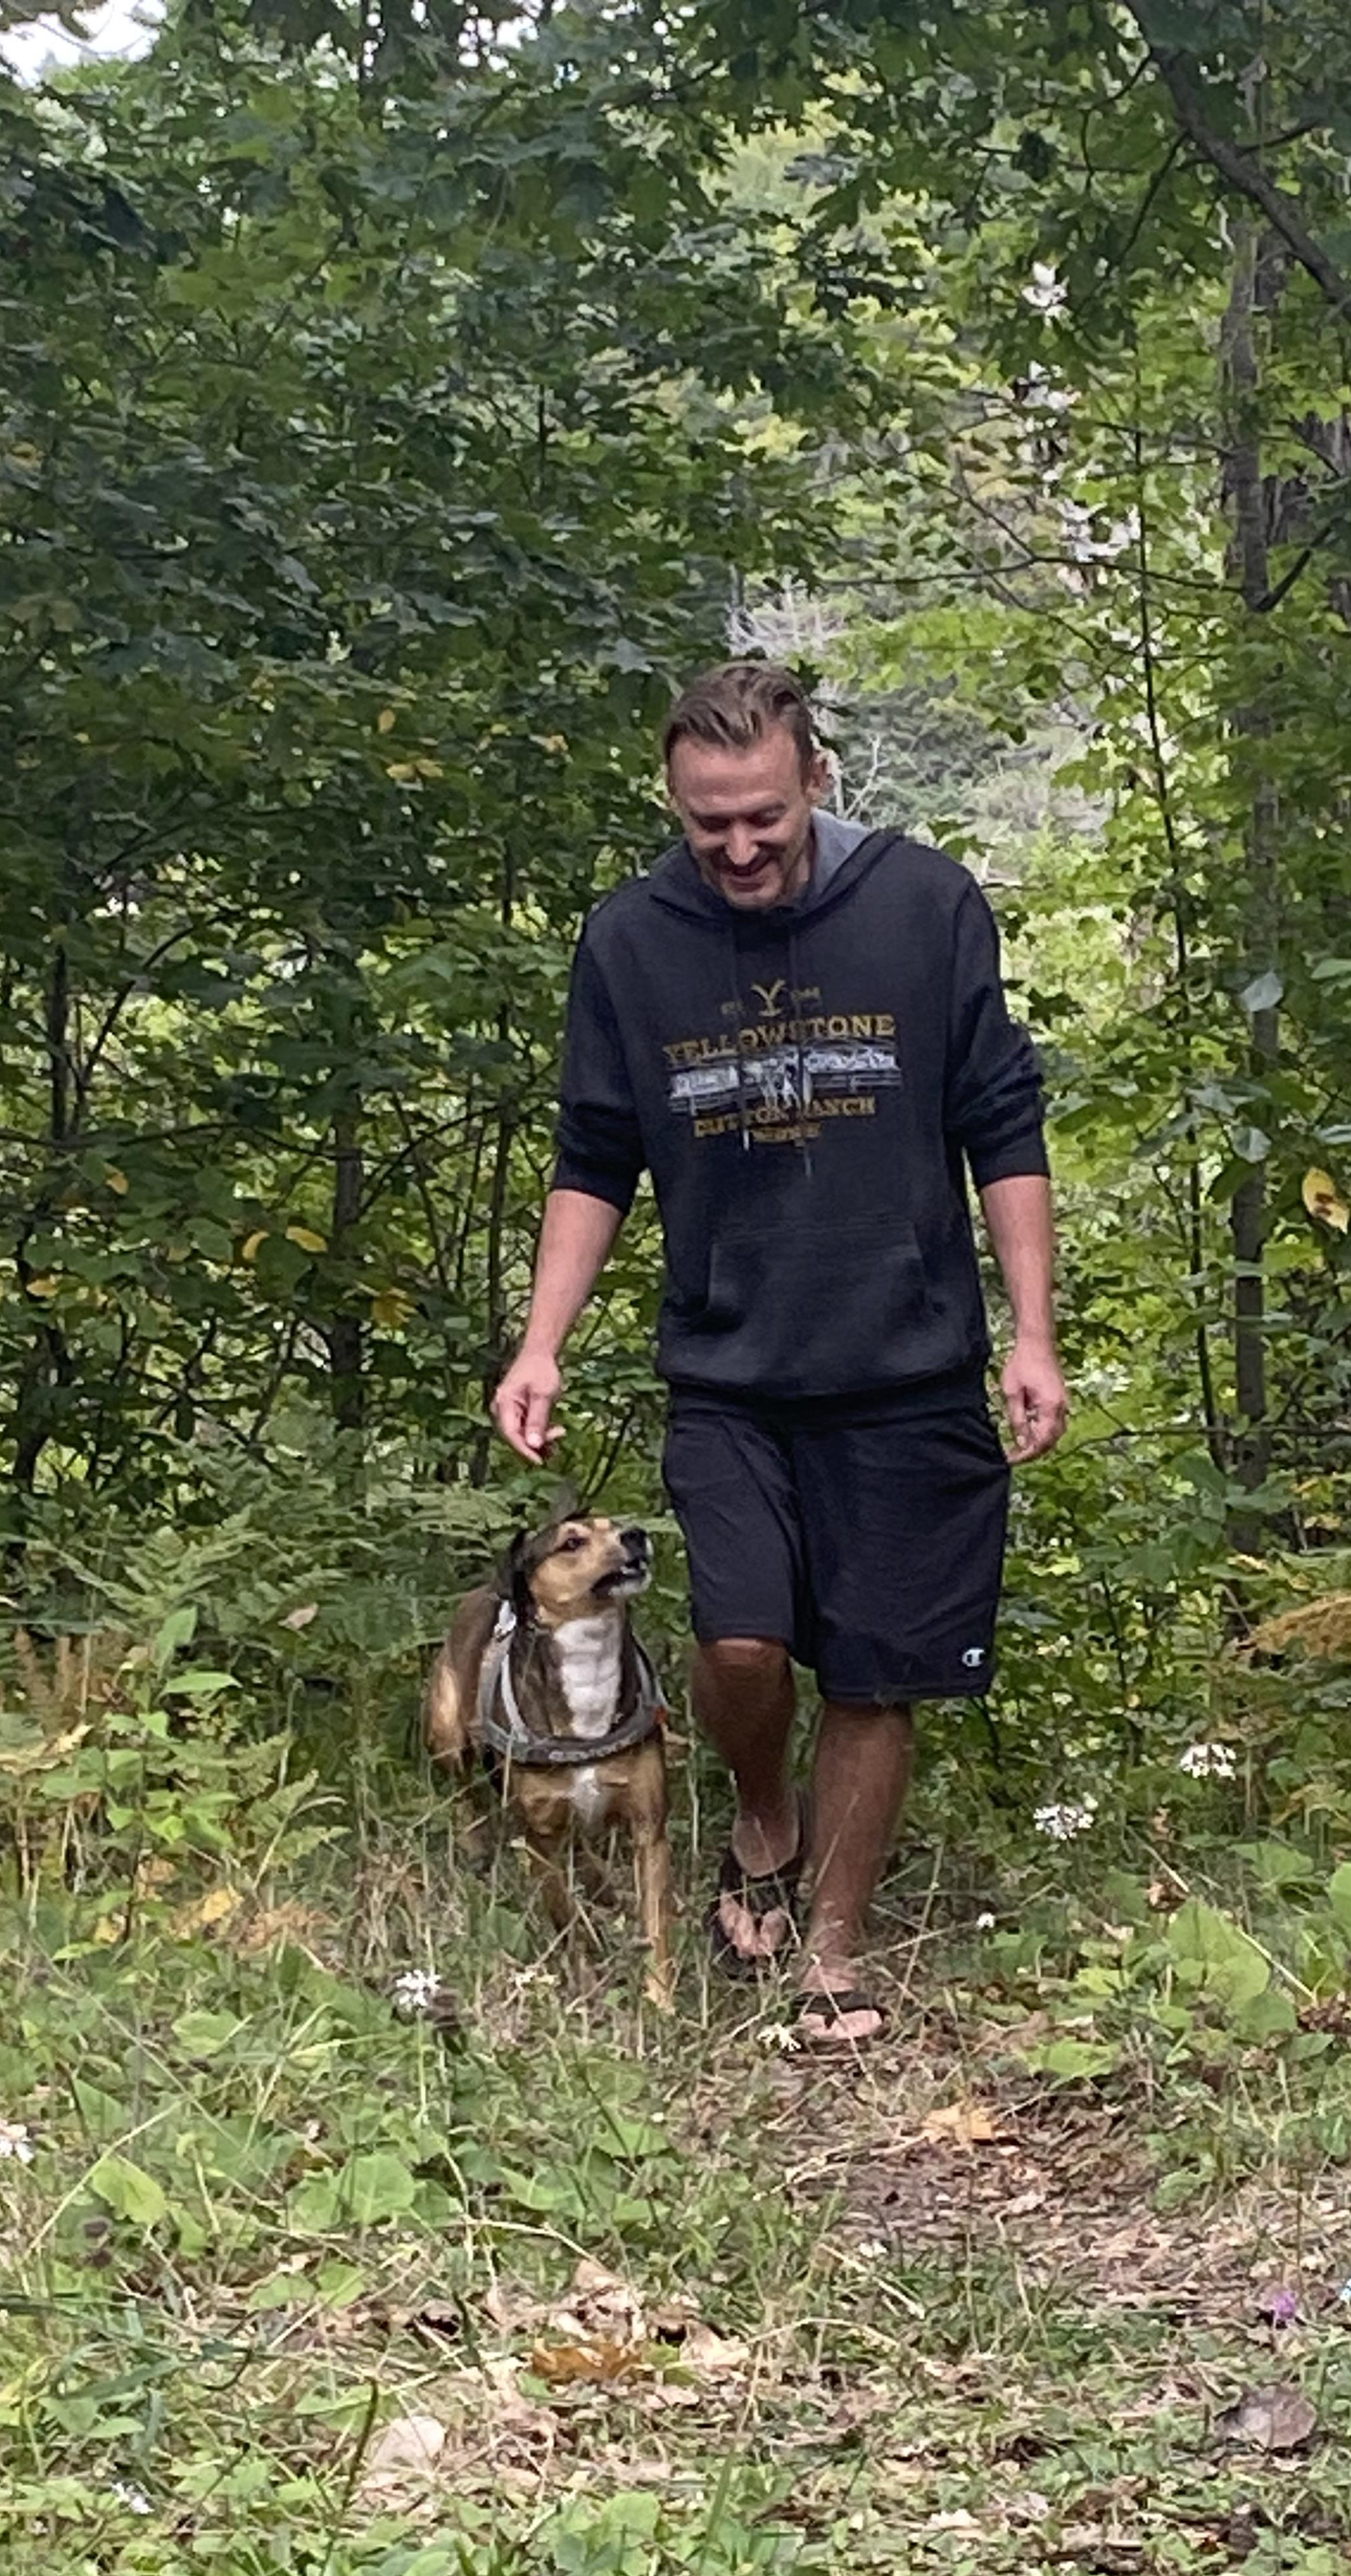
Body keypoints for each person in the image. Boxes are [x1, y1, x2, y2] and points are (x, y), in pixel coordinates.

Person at [493, 662, 1067, 2044]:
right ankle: (762, 1810)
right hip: (730, 1368)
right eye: (710, 826)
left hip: (910, 1363)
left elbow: (1003, 1122)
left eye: (762, 816)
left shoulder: (924, 906)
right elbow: (595, 1156)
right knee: (741, 1645)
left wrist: (1032, 1332)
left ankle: (832, 1951)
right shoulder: (631, 942)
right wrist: (541, 1344)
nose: (741, 848)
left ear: (815, 780)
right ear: (676, 807)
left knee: (877, 1672)